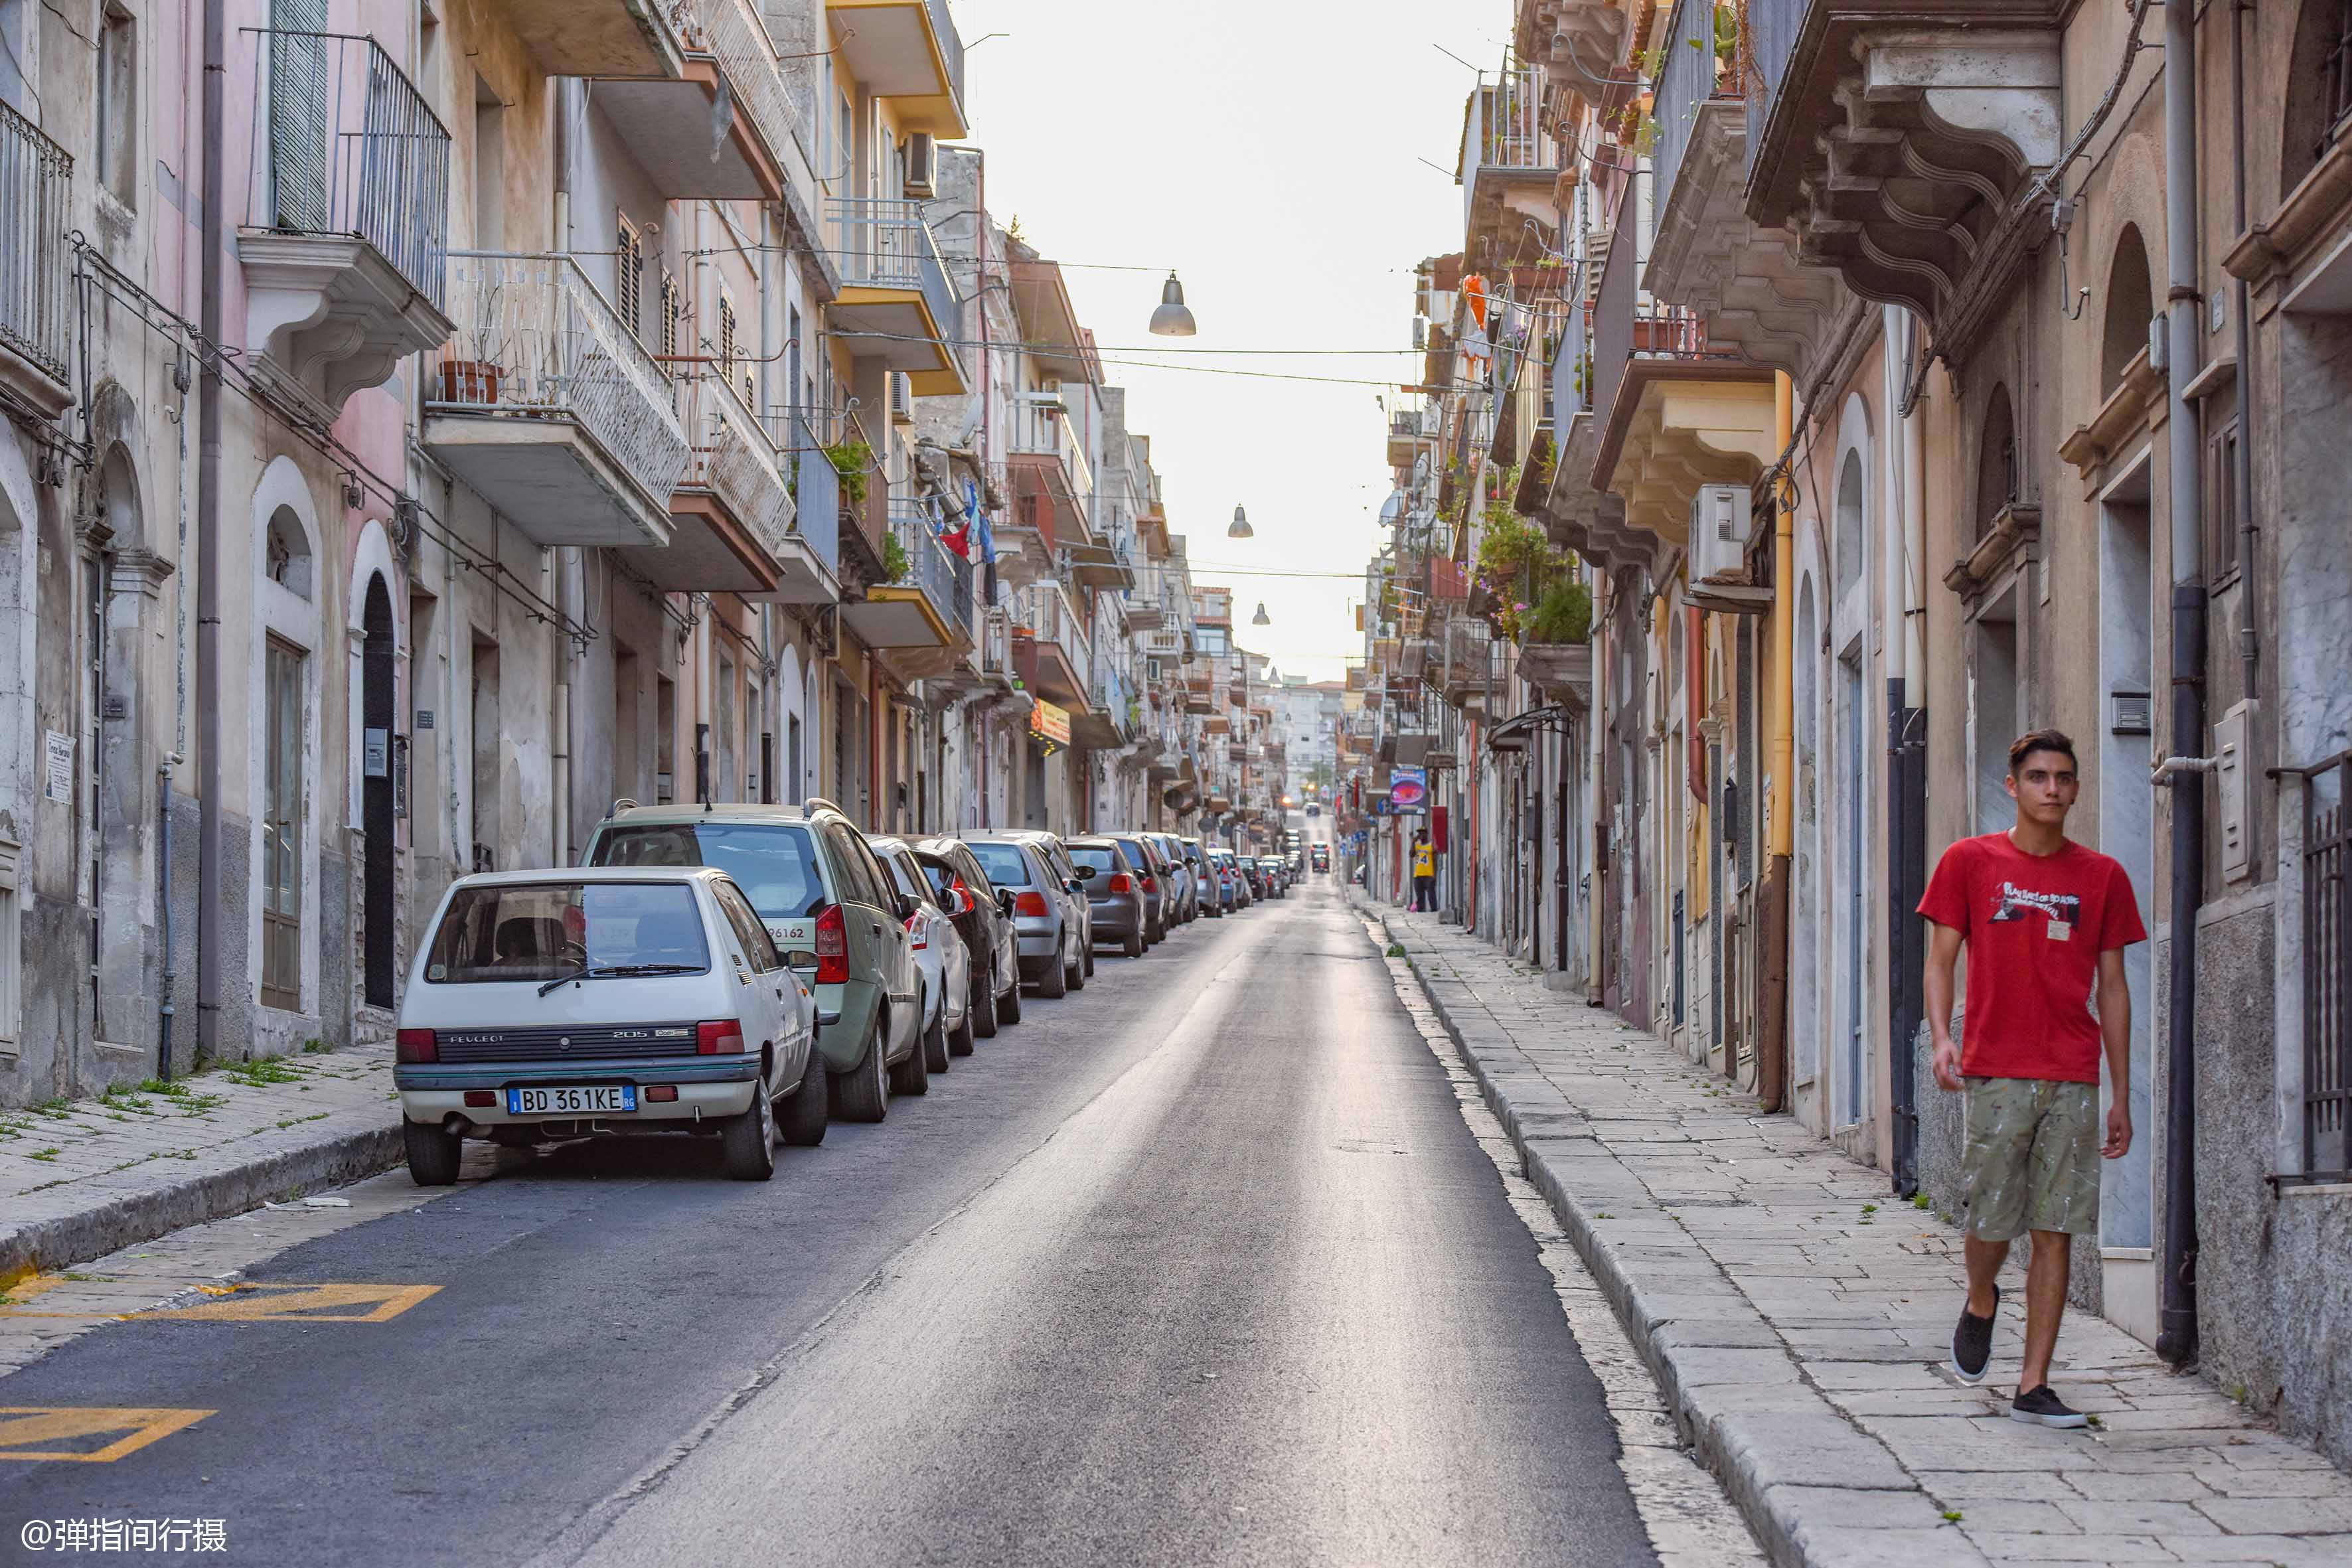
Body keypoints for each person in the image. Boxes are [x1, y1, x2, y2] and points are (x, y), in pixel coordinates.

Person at [1919, 729, 2144, 1430]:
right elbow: (1941, 960)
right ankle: (1982, 1297)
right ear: (2012, 786)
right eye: (2040, 776)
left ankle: (2033, 1382)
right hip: (1995, 1069)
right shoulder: (1970, 861)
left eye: (2065, 777)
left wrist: (2121, 1093)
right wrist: (1943, 1037)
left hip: (2072, 1074)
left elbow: (2113, 987)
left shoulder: (2103, 877)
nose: (2053, 788)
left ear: (2076, 789)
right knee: (1990, 1217)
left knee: (2057, 1228)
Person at [1410, 828, 1437, 913]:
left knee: (1431, 894)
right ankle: (1421, 910)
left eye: (1422, 833)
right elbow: (1411, 854)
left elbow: (1435, 861)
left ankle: (1434, 910)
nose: (1421, 835)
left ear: (1426, 834)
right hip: (1418, 875)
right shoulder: (1417, 846)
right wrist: (1413, 842)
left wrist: (1434, 875)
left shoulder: (1431, 845)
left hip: (1429, 874)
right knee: (1420, 896)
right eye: (1419, 833)